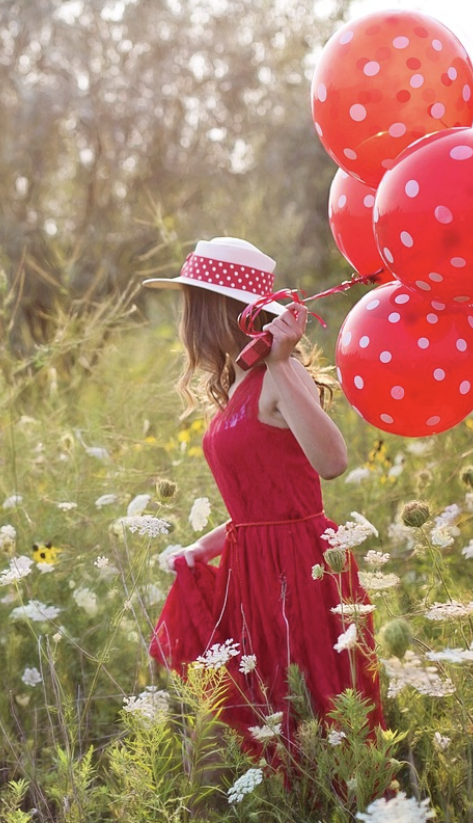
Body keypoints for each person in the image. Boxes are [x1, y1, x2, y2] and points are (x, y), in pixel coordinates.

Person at [143, 236, 383, 761]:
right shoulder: (242, 381)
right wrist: (201, 550)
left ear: (217, 310)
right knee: (279, 705)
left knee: (320, 703)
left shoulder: (279, 374)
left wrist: (281, 359)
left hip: (300, 566)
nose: (186, 322)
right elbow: (256, 503)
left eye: (192, 305)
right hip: (252, 567)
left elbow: (333, 462)